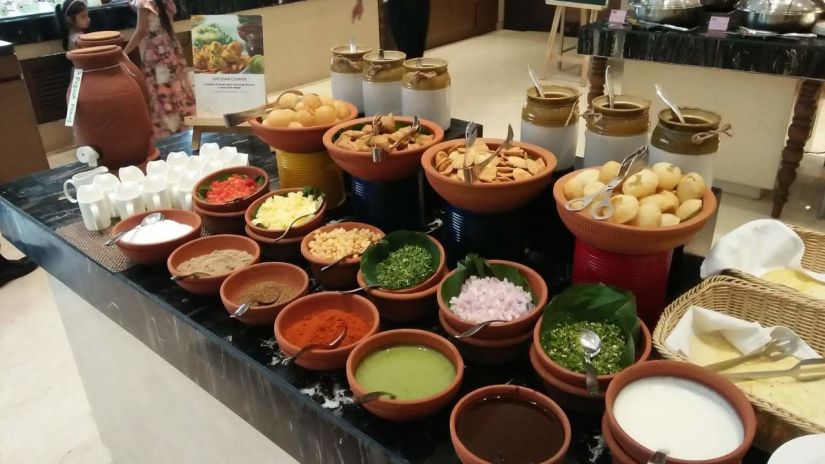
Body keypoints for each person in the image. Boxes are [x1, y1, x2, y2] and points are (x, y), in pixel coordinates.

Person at [123, 0, 195, 139]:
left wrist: (125, 52)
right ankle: (181, 123)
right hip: (171, 47)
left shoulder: (143, 2)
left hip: (156, 51)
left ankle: (167, 130)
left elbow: (142, 30)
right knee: (177, 85)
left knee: (161, 88)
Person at [352, 0, 430, 59]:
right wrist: (359, 2)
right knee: (406, 51)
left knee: (412, 52)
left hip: (415, 4)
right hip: (396, 4)